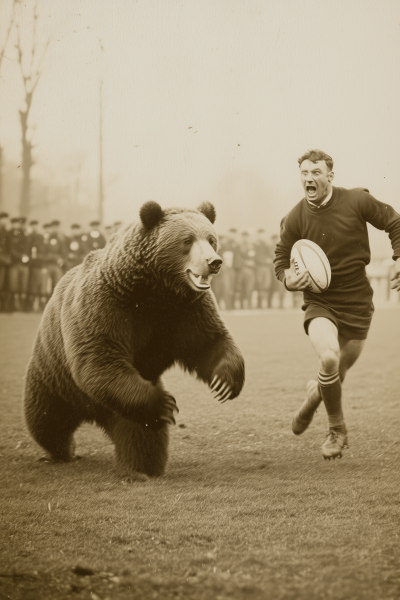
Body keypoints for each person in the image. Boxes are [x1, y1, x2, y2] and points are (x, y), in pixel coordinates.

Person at [274, 149, 400, 460]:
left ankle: (312, 399)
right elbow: (280, 260)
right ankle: (337, 429)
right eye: (304, 173)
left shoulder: (357, 200)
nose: (309, 178)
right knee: (329, 359)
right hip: (320, 303)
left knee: (337, 372)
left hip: (358, 302)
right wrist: (288, 278)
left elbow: (395, 223)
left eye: (316, 172)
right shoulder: (294, 218)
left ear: (331, 175)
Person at [8, 217, 30, 311]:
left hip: (24, 264)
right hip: (14, 263)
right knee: (13, 285)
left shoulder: (26, 235)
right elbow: (11, 249)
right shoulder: (11, 235)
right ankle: (12, 306)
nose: (22, 226)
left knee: (23, 286)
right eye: (21, 224)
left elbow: (28, 248)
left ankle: (22, 306)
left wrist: (25, 256)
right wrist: (21, 256)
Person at [26, 220, 47, 312]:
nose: (34, 227)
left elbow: (43, 251)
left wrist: (39, 259)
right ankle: (28, 305)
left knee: (37, 285)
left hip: (38, 265)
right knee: (29, 286)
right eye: (33, 225)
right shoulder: (28, 236)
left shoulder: (40, 237)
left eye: (36, 225)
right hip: (30, 265)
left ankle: (36, 305)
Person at [254, 228, 273, 308]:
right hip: (259, 267)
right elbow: (256, 257)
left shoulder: (266, 245)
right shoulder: (255, 245)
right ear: (258, 235)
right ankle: (259, 305)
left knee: (266, 285)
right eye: (260, 234)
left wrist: (269, 260)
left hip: (266, 268)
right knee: (260, 285)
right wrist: (265, 260)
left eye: (262, 234)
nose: (261, 236)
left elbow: (271, 255)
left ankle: (265, 305)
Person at [0, 212, 11, 312]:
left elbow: (8, 247)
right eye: (3, 219)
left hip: (4, 262)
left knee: (4, 284)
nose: (5, 221)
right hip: (2, 261)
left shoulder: (6, 231)